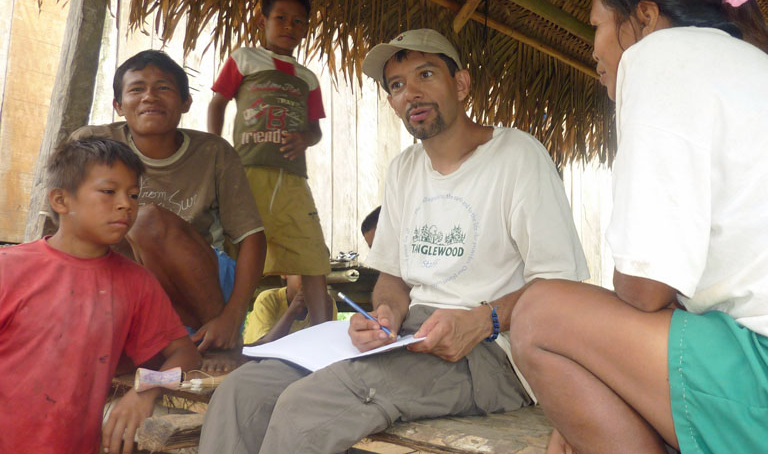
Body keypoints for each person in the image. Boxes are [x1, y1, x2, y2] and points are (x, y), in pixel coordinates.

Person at [199, 28, 589, 453]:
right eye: (398, 85)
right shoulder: (405, 169)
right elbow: (393, 279)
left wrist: (482, 320)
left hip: (494, 352)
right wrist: (385, 314)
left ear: (461, 84)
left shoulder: (517, 156)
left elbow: (560, 289)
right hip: (412, 335)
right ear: (391, 102)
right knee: (241, 392)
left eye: (426, 75)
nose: (412, 94)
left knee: (308, 407)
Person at [509, 0, 768, 453]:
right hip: (746, 362)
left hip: (758, 377)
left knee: (538, 314)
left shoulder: (660, 55)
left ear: (645, 16)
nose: (594, 49)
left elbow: (644, 289)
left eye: (598, 26)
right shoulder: (752, 65)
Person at [0, 137, 200, 454]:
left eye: (134, 195)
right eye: (109, 192)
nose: (126, 204)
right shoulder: (9, 270)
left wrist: (146, 388)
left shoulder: (137, 283)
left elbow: (186, 354)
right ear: (61, 201)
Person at [72, 50, 267, 359]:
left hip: (201, 283)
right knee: (108, 229)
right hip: (132, 281)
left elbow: (252, 237)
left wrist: (231, 317)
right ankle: (157, 344)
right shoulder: (93, 145)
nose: (150, 96)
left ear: (186, 103)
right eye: (136, 89)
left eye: (163, 87)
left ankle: (216, 343)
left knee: (145, 221)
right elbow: (66, 221)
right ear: (118, 106)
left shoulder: (214, 153)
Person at [207, 0, 332, 327]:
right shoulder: (244, 58)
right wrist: (215, 149)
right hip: (246, 174)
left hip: (292, 180)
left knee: (312, 258)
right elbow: (218, 102)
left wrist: (304, 138)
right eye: (281, 18)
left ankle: (323, 340)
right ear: (262, 20)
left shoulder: (308, 78)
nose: (290, 27)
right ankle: (225, 334)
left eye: (299, 21)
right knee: (234, 253)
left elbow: (316, 130)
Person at [242, 275, 338, 345]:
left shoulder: (327, 303)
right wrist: (292, 311)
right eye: (303, 271)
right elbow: (259, 348)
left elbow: (323, 346)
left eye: (316, 274)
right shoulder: (268, 299)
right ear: (284, 273)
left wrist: (323, 312)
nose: (309, 279)